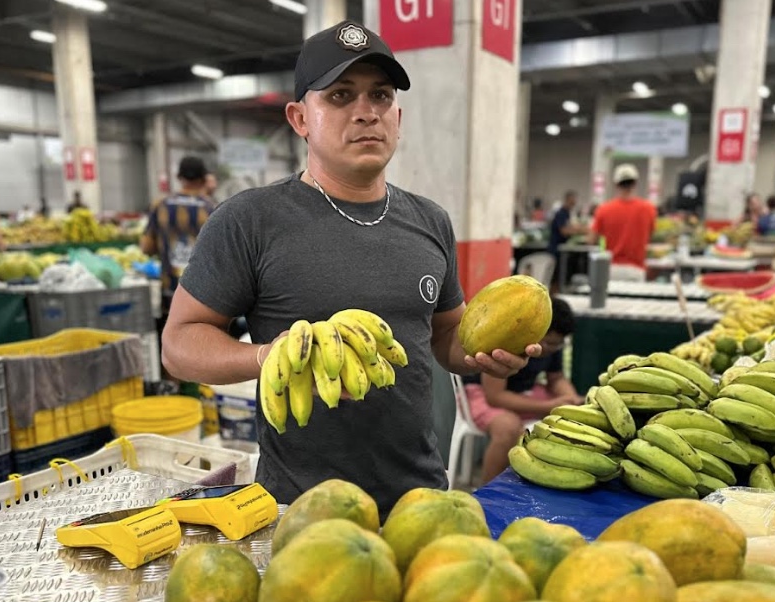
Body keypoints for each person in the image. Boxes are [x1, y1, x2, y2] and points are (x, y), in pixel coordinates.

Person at [161, 20, 551, 518]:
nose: (366, 112)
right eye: (341, 96)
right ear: (300, 118)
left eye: (380, 96)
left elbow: (445, 336)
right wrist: (269, 357)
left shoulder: (430, 220)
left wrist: (482, 356)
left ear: (398, 116)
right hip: (302, 508)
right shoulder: (250, 220)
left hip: (421, 496)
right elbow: (178, 345)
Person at [463, 297, 582, 483]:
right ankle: (487, 494)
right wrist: (548, 406)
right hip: (483, 392)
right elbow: (495, 396)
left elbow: (556, 378)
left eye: (557, 345)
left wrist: (569, 397)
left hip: (525, 391)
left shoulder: (552, 345)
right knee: (509, 429)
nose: (551, 349)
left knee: (572, 417)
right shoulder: (508, 341)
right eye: (548, 343)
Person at [140, 156, 216, 348]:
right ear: (203, 179)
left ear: (178, 177)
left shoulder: (161, 205)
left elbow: (146, 248)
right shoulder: (212, 208)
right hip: (205, 293)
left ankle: (172, 378)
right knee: (203, 344)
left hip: (170, 289)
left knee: (172, 343)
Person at [589, 164, 656, 281]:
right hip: (637, 269)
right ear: (635, 183)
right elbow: (650, 235)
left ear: (616, 184)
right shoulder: (649, 209)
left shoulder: (603, 209)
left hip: (611, 268)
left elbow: (592, 239)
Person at [547, 190, 587, 289]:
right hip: (556, 249)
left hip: (562, 249)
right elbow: (564, 231)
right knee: (555, 276)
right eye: (572, 201)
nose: (573, 204)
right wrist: (579, 231)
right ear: (567, 200)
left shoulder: (567, 213)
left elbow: (571, 226)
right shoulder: (561, 213)